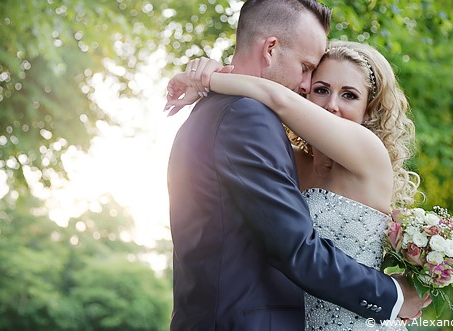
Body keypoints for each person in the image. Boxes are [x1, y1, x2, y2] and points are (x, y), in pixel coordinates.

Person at [165, 1, 428, 330]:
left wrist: (208, 80)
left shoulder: (228, 115)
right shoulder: (250, 121)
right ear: (271, 48)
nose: (322, 99)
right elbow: (295, 248)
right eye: (314, 80)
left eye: (349, 95)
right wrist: (392, 295)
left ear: (369, 107)